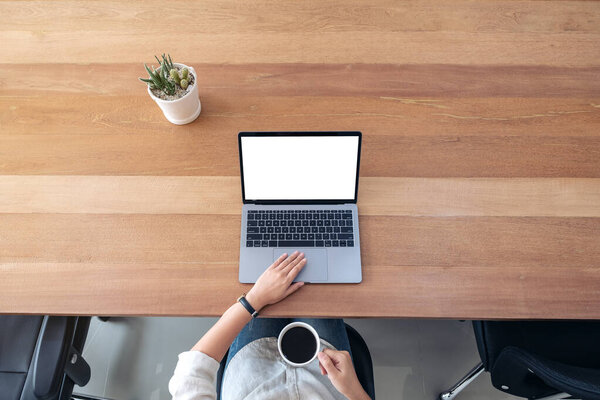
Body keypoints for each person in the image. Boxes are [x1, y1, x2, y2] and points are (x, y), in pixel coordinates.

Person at [169, 251, 372, 400]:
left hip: (251, 371)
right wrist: (353, 390)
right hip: (326, 381)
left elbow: (189, 377)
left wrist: (254, 299)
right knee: (316, 268)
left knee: (267, 265)